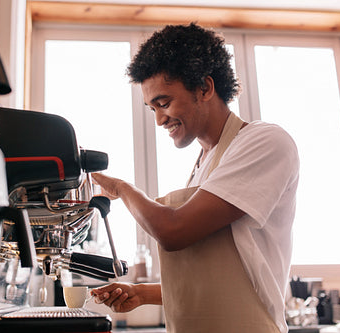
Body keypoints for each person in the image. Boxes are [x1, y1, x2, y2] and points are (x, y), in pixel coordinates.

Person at [90, 23, 299, 333]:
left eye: (164, 103)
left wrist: (123, 188)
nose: (159, 119)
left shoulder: (264, 142)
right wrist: (142, 293)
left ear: (205, 88)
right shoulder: (203, 164)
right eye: (152, 109)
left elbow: (174, 230)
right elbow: (217, 282)